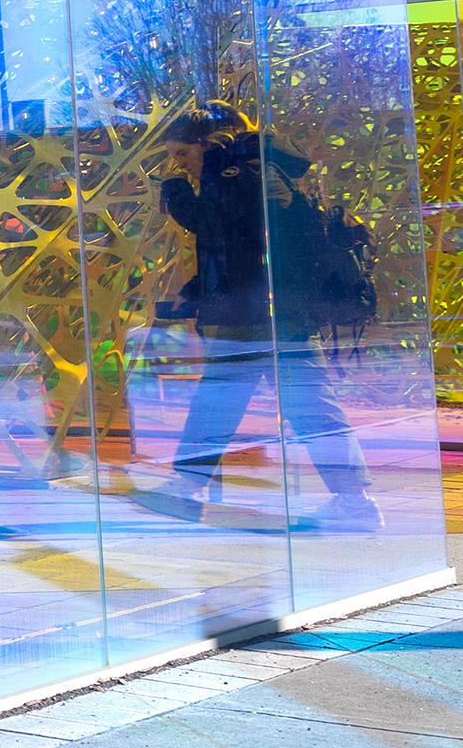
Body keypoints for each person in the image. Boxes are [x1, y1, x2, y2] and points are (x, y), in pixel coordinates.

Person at [140, 104, 377, 530]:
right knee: (309, 406)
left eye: (183, 154)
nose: (181, 165)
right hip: (280, 309)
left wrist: (175, 191)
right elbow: (242, 243)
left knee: (221, 402)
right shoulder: (259, 170)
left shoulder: (234, 171)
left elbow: (213, 228)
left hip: (258, 313)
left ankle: (186, 487)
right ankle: (355, 503)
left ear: (211, 142)